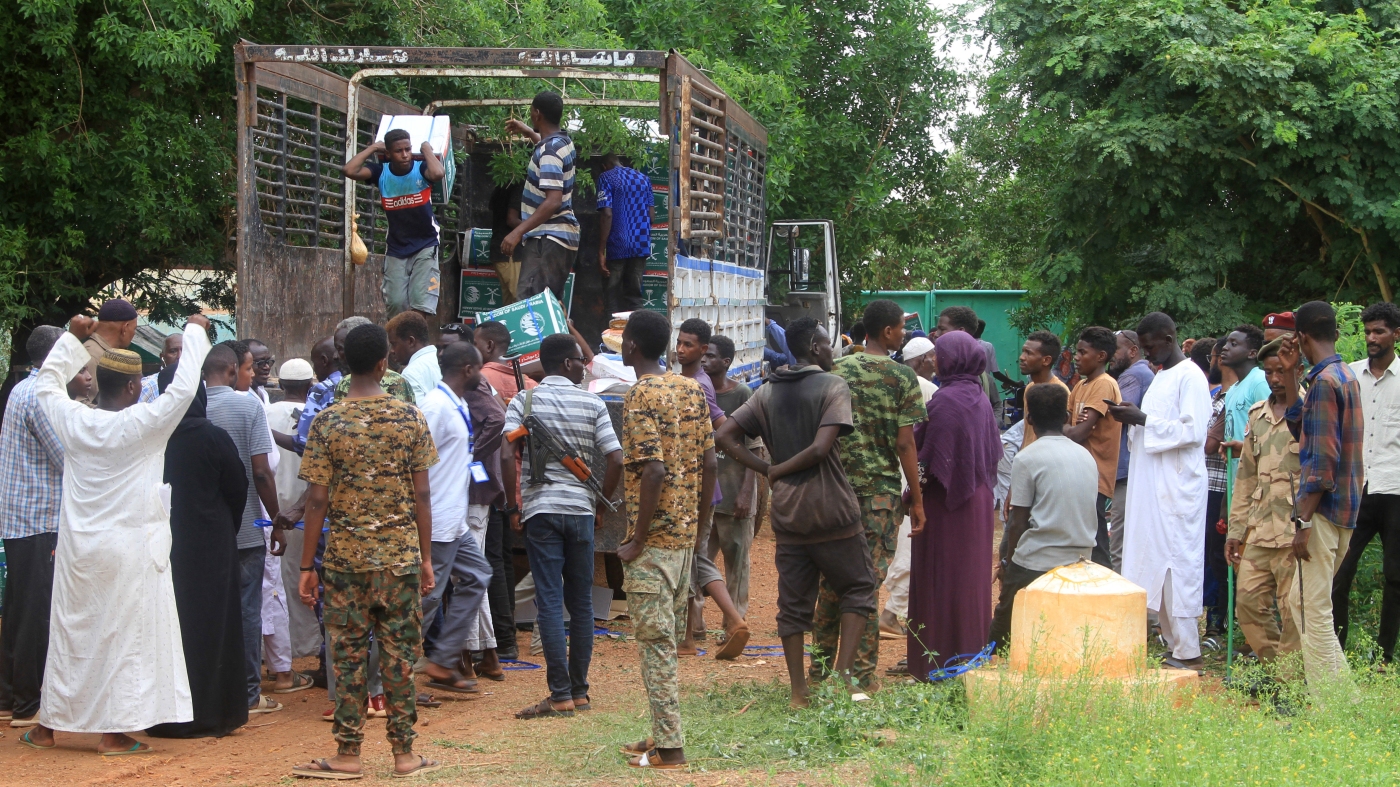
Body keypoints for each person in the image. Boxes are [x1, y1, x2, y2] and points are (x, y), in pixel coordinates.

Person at [21, 314, 210, 754]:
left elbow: (47, 385)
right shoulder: (144, 425)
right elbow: (182, 389)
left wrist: (74, 337)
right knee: (125, 637)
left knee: (71, 634)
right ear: (131, 388)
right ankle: (112, 733)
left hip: (78, 548)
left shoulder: (74, 420)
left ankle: (47, 728)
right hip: (129, 547)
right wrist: (195, 330)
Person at [293, 324, 441, 779]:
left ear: (344, 364)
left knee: (348, 654)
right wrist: (427, 557)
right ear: (384, 364)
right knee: (399, 655)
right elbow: (421, 496)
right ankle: (404, 754)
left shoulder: (328, 421)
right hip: (399, 560)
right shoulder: (409, 418)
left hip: (344, 561)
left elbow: (316, 500)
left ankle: (348, 754)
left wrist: (306, 565)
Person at [715, 318, 876, 706]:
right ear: (817, 349)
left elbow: (723, 436)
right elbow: (822, 449)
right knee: (858, 588)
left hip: (788, 514)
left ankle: (798, 691)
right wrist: (776, 469)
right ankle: (842, 676)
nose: (832, 351)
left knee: (793, 605)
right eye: (828, 344)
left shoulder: (767, 392)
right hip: (832, 508)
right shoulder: (833, 385)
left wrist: (768, 470)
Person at [614, 310, 716, 770]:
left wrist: (635, 539)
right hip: (683, 539)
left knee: (655, 645)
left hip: (653, 543)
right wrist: (698, 528)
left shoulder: (639, 396)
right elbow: (711, 464)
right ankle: (660, 732)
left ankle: (670, 749)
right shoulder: (691, 388)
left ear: (631, 346)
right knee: (666, 641)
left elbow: (652, 469)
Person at [503, 334, 623, 718]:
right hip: (582, 513)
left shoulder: (525, 401)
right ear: (567, 364)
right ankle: (580, 692)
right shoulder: (592, 402)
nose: (584, 366)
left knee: (550, 601)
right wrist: (599, 504)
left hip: (540, 511)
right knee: (582, 603)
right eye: (579, 360)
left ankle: (559, 695)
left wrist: (513, 504)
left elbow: (508, 451)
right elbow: (615, 458)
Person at [820, 299, 926, 689]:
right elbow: (905, 444)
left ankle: (819, 671)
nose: (904, 334)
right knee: (865, 584)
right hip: (879, 497)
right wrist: (916, 499)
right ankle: (860, 675)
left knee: (830, 581)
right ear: (887, 332)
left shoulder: (835, 370)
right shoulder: (901, 377)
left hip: (833, 492)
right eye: (901, 328)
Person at [146, 366, 250, 739]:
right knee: (213, 627)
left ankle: (165, 715)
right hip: (211, 547)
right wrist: (224, 527)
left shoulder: (152, 438)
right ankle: (212, 713)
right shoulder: (213, 437)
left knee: (168, 628)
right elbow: (237, 488)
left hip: (161, 548)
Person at [1107, 312, 1212, 670]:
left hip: (1177, 489)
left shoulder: (1191, 376)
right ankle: (1174, 645)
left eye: (1152, 346)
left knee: (1177, 567)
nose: (1148, 353)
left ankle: (1188, 649)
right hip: (1152, 486)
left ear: (1169, 338)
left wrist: (1142, 420)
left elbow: (1194, 431)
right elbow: (1151, 429)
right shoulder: (1163, 376)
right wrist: (1133, 418)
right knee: (1156, 563)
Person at [0, 327, 89, 728]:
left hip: (22, 518)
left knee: (19, 611)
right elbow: (68, 457)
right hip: (40, 518)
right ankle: (27, 704)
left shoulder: (24, 388)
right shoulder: (41, 395)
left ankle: (10, 696)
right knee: (37, 613)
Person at [1278, 301, 1364, 689]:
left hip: (1323, 513)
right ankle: (1344, 696)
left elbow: (1321, 464)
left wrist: (1303, 522)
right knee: (1303, 602)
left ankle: (1334, 705)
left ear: (1301, 337)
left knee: (1313, 609)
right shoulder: (1343, 375)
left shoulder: (1326, 383)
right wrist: (1296, 374)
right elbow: (1307, 433)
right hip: (1345, 509)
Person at [908, 330, 1000, 677]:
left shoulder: (946, 402)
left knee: (942, 579)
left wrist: (910, 496)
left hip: (947, 504)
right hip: (976, 499)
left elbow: (929, 461)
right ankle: (968, 654)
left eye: (939, 355)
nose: (934, 361)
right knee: (969, 580)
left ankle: (937, 660)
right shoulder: (976, 394)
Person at [203, 342, 284, 715]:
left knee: (208, 608)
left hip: (204, 529)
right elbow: (262, 470)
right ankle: (249, 693)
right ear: (234, 370)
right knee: (248, 609)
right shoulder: (247, 404)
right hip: (248, 527)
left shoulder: (191, 406)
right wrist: (276, 519)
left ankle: (212, 689)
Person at [988, 383, 1099, 651]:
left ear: (1028, 419)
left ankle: (994, 655)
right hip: (1081, 558)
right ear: (1065, 418)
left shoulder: (1027, 458)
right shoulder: (1085, 455)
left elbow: (1017, 521)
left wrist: (1008, 562)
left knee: (1002, 620)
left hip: (1038, 561)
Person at [416, 342, 494, 696]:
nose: (482, 374)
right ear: (466, 369)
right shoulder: (435, 407)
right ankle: (393, 674)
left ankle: (441, 659)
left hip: (454, 520)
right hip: (436, 522)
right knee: (426, 601)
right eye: (479, 368)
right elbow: (412, 460)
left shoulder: (456, 403)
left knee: (478, 575)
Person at [1224, 339, 1301, 662]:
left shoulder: (1308, 412)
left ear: (1297, 371)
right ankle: (1276, 673)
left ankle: (1291, 682)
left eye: (1281, 371)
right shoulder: (1258, 415)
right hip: (1259, 530)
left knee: (1294, 611)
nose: (1274, 378)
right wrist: (1235, 531)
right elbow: (1246, 478)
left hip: (1295, 532)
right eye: (1268, 372)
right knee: (1248, 604)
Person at [674, 317, 747, 658]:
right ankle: (690, 635)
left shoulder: (698, 385)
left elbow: (719, 429)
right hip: (699, 486)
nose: (680, 349)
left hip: (697, 489)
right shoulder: (690, 381)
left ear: (702, 350)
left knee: (696, 558)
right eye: (679, 342)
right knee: (694, 557)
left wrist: (745, 460)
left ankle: (730, 620)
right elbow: (720, 424)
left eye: (688, 345)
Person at [1334, 302, 1400, 661]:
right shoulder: (1349, 375)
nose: (1372, 338)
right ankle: (1336, 654)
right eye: (1368, 332)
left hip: (1395, 490)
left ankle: (1385, 655)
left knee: (1395, 577)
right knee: (1340, 573)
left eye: (1380, 331)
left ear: (1396, 335)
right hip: (1354, 488)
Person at [341, 128, 445, 318]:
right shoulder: (380, 173)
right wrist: (373, 147)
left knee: (420, 304)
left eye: (408, 149)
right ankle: (397, 344)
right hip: (397, 246)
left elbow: (438, 173)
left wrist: (426, 149)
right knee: (395, 303)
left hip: (426, 243)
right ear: (388, 154)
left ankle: (415, 344)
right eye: (399, 151)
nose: (405, 155)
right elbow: (349, 170)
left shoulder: (420, 168)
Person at [878, 335, 939, 641]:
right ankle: (891, 614)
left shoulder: (891, 381)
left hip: (887, 472)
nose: (936, 362)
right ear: (920, 361)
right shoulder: (926, 389)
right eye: (932, 357)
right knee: (910, 543)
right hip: (911, 474)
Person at [266, 360, 323, 673]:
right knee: (306, 579)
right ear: (309, 384)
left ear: (282, 384)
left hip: (273, 508)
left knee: (277, 581)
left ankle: (274, 651)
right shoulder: (317, 415)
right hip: (307, 508)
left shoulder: (264, 414)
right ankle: (306, 646)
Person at [500, 91, 579, 301]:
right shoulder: (561, 142)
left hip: (548, 238)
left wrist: (517, 232)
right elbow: (545, 147)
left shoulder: (550, 151)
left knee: (531, 305)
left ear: (536, 113)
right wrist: (527, 131)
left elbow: (553, 201)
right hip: (559, 238)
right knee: (547, 305)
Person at [702, 335, 759, 620]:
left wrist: (747, 493)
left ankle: (734, 622)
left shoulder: (742, 395)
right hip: (705, 497)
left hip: (734, 494)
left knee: (736, 563)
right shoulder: (696, 392)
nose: (704, 360)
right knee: (700, 562)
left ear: (725, 362)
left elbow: (755, 449)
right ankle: (694, 622)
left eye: (710, 356)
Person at [1062, 326, 1122, 568]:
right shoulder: (1082, 385)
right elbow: (1066, 424)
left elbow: (1077, 432)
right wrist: (1066, 429)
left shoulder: (1104, 384)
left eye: (1082, 352)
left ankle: (1107, 594)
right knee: (1079, 540)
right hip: (1078, 474)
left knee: (1096, 543)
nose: (1076, 357)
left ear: (1101, 356)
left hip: (1095, 476)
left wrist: (1064, 429)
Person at [1108, 329, 1155, 572]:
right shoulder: (1144, 373)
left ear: (1133, 350)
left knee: (1119, 541)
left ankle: (1119, 596)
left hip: (1127, 470)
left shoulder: (1133, 376)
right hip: (1133, 468)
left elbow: (1116, 415)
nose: (1110, 355)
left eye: (1116, 349)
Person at [596, 153, 654, 314]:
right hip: (640, 244)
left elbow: (607, 214)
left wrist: (601, 250)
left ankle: (611, 337)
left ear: (604, 166)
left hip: (618, 243)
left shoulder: (606, 177)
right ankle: (638, 334)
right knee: (635, 298)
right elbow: (651, 215)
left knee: (612, 296)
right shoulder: (644, 178)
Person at [936, 306, 1002, 418]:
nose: (937, 334)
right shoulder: (978, 390)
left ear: (961, 331)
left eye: (942, 329)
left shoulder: (945, 397)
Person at [79, 298, 139, 404]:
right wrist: (113, 416)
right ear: (125, 328)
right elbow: (79, 403)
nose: (134, 334)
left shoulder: (105, 353)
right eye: (134, 329)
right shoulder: (92, 355)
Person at [288, 334, 340, 455]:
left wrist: (269, 432)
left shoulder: (322, 390)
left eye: (314, 362)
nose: (314, 368)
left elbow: (304, 444)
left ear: (324, 360)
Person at [1018, 330, 1069, 447]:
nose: (1022, 357)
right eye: (1023, 352)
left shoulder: (1059, 392)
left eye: (1028, 353)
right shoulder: (1030, 388)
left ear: (1046, 360)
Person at [475, 320, 536, 403]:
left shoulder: (476, 380)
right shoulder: (532, 385)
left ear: (489, 346)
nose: (471, 348)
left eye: (474, 344)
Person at [386, 310, 439, 401]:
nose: (392, 351)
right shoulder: (441, 358)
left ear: (411, 341)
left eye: (394, 344)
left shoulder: (411, 373)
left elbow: (416, 413)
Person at [140, 331, 184, 403]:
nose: (179, 356)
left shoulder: (199, 384)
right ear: (162, 357)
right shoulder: (149, 386)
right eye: (173, 351)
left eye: (184, 351)